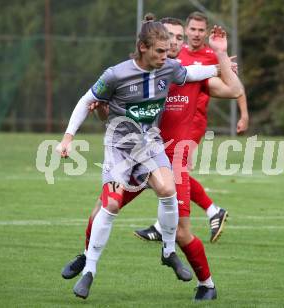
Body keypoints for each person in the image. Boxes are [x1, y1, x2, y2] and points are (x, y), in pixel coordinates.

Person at [57, 19, 224, 299]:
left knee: (167, 189)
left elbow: (196, 73)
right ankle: (90, 269)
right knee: (108, 205)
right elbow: (86, 100)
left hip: (149, 145)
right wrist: (68, 137)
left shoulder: (169, 67)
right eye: (159, 51)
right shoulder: (115, 75)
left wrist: (221, 62)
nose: (166, 55)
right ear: (142, 48)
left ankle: (169, 252)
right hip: (120, 147)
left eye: (167, 49)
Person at [134, 11, 249, 244]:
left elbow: (234, 88)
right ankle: (183, 219)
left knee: (177, 171)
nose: (195, 34)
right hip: (158, 130)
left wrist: (243, 113)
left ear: (205, 33)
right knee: (167, 174)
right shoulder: (170, 58)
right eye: (192, 30)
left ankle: (187, 219)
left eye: (200, 30)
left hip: (191, 122)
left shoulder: (203, 62)